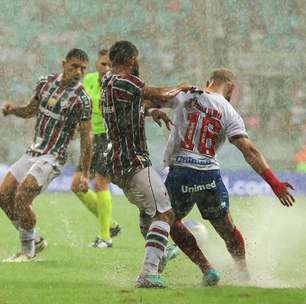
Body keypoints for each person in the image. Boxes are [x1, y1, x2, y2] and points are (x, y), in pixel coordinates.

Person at [159, 69, 295, 285]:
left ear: (208, 81)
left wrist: (169, 95)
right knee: (227, 229)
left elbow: (153, 97)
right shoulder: (230, 112)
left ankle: (207, 269)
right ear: (230, 87)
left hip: (181, 172)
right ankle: (243, 273)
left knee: (168, 220)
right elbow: (249, 150)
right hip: (209, 176)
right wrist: (275, 183)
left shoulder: (186, 94)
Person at [101, 40, 187, 288]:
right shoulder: (125, 81)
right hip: (133, 160)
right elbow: (160, 95)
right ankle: (149, 271)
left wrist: (151, 112)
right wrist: (180, 87)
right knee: (164, 213)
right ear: (132, 60)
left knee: (147, 209)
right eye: (137, 59)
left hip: (115, 162)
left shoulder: (107, 81)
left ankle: (158, 254)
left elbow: (129, 107)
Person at [0, 48, 92, 262]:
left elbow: (87, 137)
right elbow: (31, 110)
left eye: (83, 69)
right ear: (63, 64)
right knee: (4, 196)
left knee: (22, 196)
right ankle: (36, 239)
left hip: (53, 157)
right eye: (74, 66)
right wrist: (13, 110)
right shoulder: (44, 83)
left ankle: (27, 252)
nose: (78, 72)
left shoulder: (82, 99)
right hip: (33, 151)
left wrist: (85, 172)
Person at [71, 49, 121, 249]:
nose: (107, 68)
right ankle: (110, 224)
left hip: (109, 137)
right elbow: (78, 105)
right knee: (77, 186)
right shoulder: (88, 80)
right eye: (103, 64)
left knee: (101, 184)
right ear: (97, 64)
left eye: (110, 65)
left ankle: (105, 237)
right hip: (90, 137)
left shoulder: (117, 85)